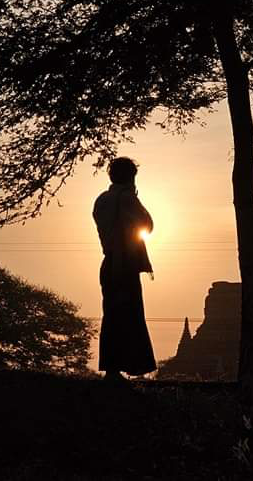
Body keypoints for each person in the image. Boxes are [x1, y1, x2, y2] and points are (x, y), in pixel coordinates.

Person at [93, 157, 157, 381]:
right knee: (129, 315)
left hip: (109, 263)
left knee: (111, 315)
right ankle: (123, 368)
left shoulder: (101, 200)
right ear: (131, 177)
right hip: (125, 264)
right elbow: (147, 225)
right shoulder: (128, 199)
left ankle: (113, 369)